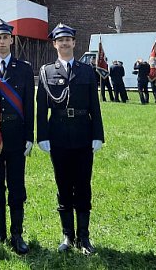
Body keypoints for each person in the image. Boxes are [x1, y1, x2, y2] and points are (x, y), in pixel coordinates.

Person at [37, 23, 104, 254]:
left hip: (83, 136)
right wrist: (42, 135)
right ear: (54, 44)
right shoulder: (47, 72)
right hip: (58, 136)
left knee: (83, 186)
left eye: (68, 39)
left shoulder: (87, 72)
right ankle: (67, 236)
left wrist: (98, 135)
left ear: (74, 43)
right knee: (63, 185)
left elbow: (95, 106)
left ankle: (84, 237)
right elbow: (40, 108)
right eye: (60, 40)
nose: (64, 43)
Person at [0, 19, 34, 254]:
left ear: (11, 40)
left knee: (16, 186)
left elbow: (29, 107)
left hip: (15, 135)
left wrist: (29, 136)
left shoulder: (24, 68)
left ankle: (17, 234)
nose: (2, 42)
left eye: (5, 37)